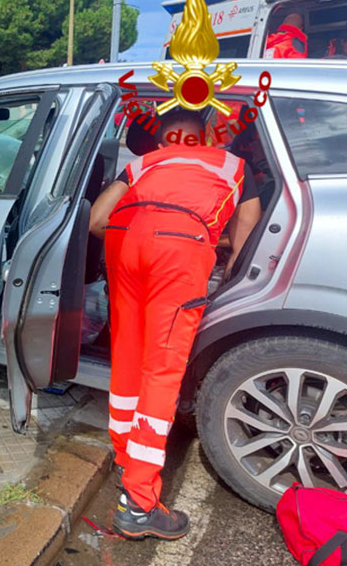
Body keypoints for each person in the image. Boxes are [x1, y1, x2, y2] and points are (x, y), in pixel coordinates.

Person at [89, 108, 261, 540]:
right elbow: (245, 242)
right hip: (179, 254)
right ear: (206, 136)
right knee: (162, 371)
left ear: (164, 139)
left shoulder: (141, 164)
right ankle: (139, 504)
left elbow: (97, 221)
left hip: (125, 246)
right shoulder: (233, 166)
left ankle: (127, 458)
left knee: (127, 359)